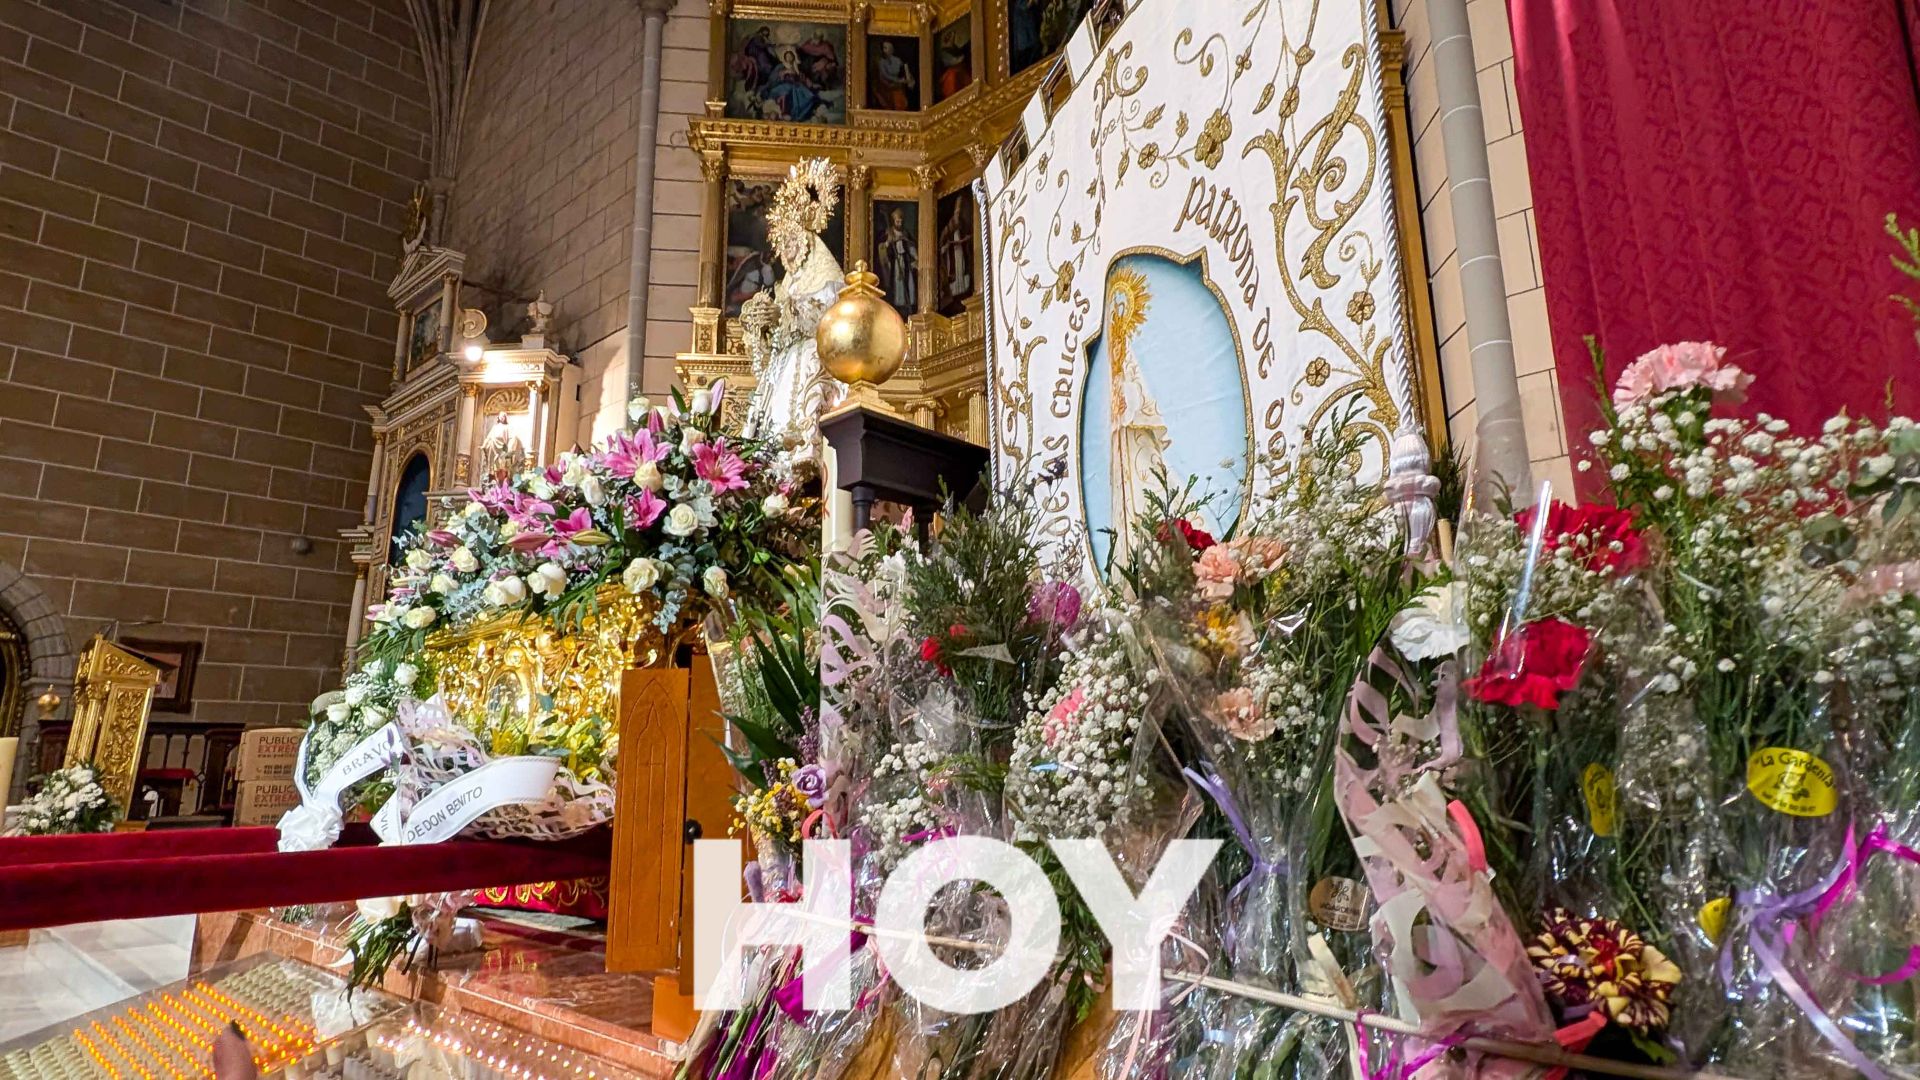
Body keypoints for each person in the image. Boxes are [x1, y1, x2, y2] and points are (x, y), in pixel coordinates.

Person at [876, 208, 918, 312]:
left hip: (906, 261)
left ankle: (908, 306)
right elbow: (882, 248)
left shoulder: (905, 233)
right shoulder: (888, 233)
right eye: (897, 221)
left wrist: (916, 258)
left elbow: (911, 247)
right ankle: (898, 307)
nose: (899, 224)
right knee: (897, 285)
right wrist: (888, 243)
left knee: (909, 284)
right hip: (895, 263)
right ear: (893, 221)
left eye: (901, 221)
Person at [869, 39, 916, 111]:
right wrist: (899, 81)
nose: (884, 50)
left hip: (896, 84)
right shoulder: (881, 62)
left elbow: (905, 69)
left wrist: (909, 77)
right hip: (885, 85)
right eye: (883, 48)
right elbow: (885, 75)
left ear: (892, 49)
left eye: (886, 48)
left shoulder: (897, 60)